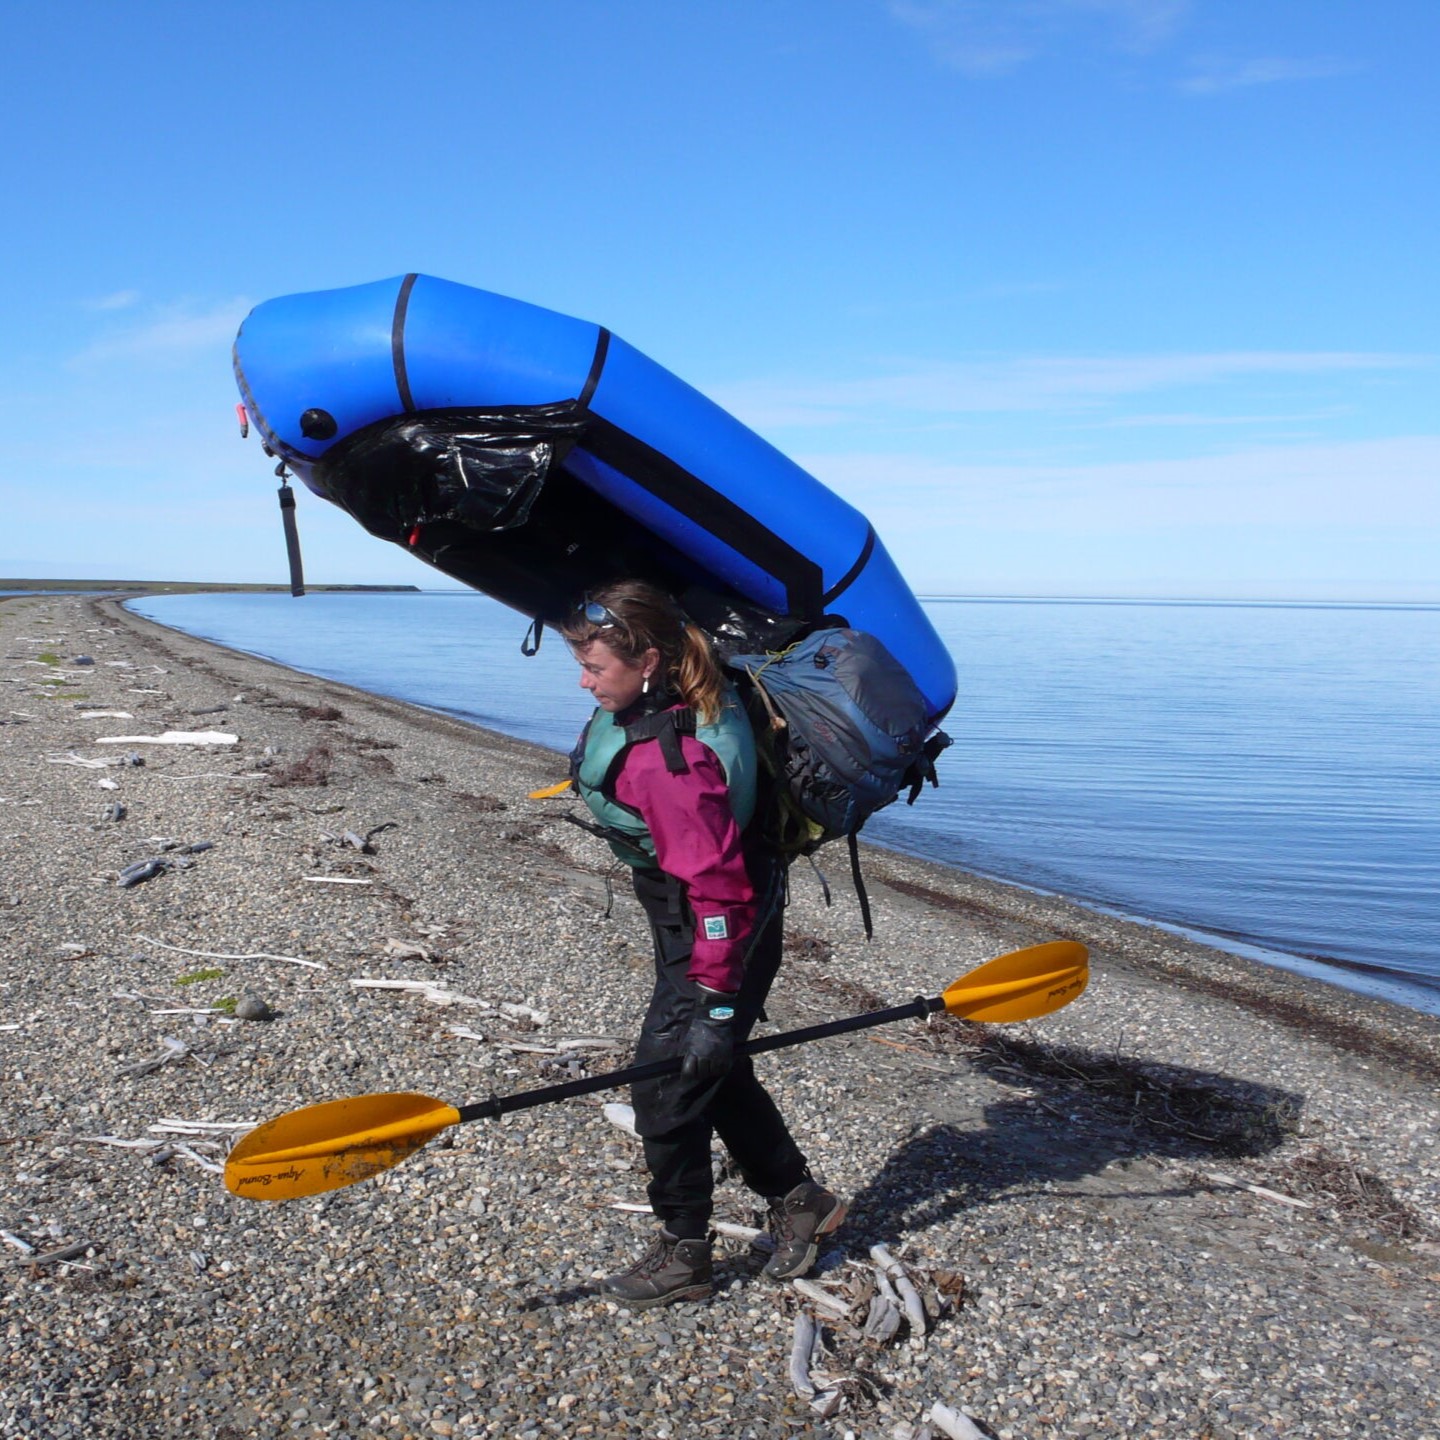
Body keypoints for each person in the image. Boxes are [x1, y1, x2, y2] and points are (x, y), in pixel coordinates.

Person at [558, 580, 845, 1310]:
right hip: (708, 920)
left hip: (719, 934)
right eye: (582, 666)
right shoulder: (687, 692)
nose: (584, 681)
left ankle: (685, 1252)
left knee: (665, 1090)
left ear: (649, 661)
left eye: (595, 669)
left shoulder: (672, 762)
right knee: (703, 1074)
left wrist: (716, 1006)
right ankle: (799, 1197)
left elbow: (719, 898)